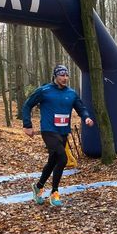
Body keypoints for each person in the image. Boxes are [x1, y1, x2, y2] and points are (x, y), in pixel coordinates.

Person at [22, 64, 94, 206]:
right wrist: (27, 125)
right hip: (49, 130)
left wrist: (86, 117)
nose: (65, 78)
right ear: (55, 76)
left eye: (67, 75)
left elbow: (81, 108)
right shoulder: (44, 91)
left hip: (63, 132)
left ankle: (38, 187)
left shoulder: (71, 93)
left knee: (53, 161)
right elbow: (27, 105)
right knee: (62, 158)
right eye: (62, 75)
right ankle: (54, 192)